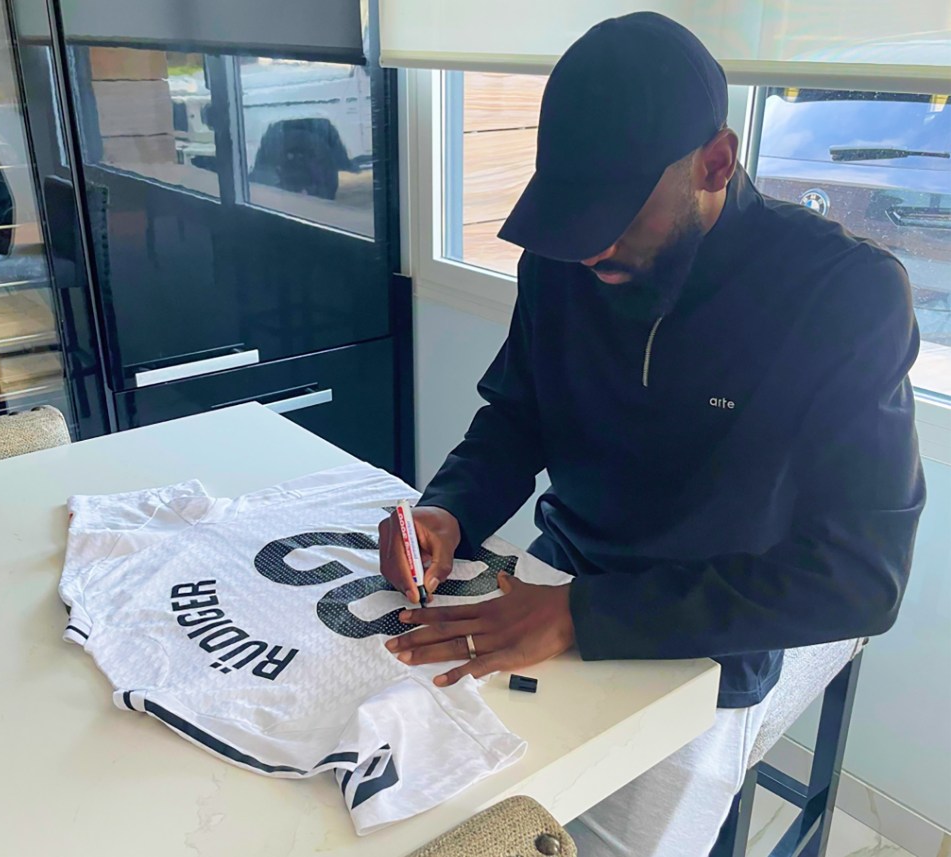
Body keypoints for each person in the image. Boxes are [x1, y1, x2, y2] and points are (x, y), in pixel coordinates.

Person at [378, 11, 925, 856]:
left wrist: (584, 618)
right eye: (571, 214)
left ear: (715, 161)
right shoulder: (563, 258)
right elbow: (518, 417)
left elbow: (861, 579)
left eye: (617, 212)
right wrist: (446, 509)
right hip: (559, 569)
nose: (588, 245)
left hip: (718, 626)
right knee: (453, 812)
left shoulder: (842, 296)